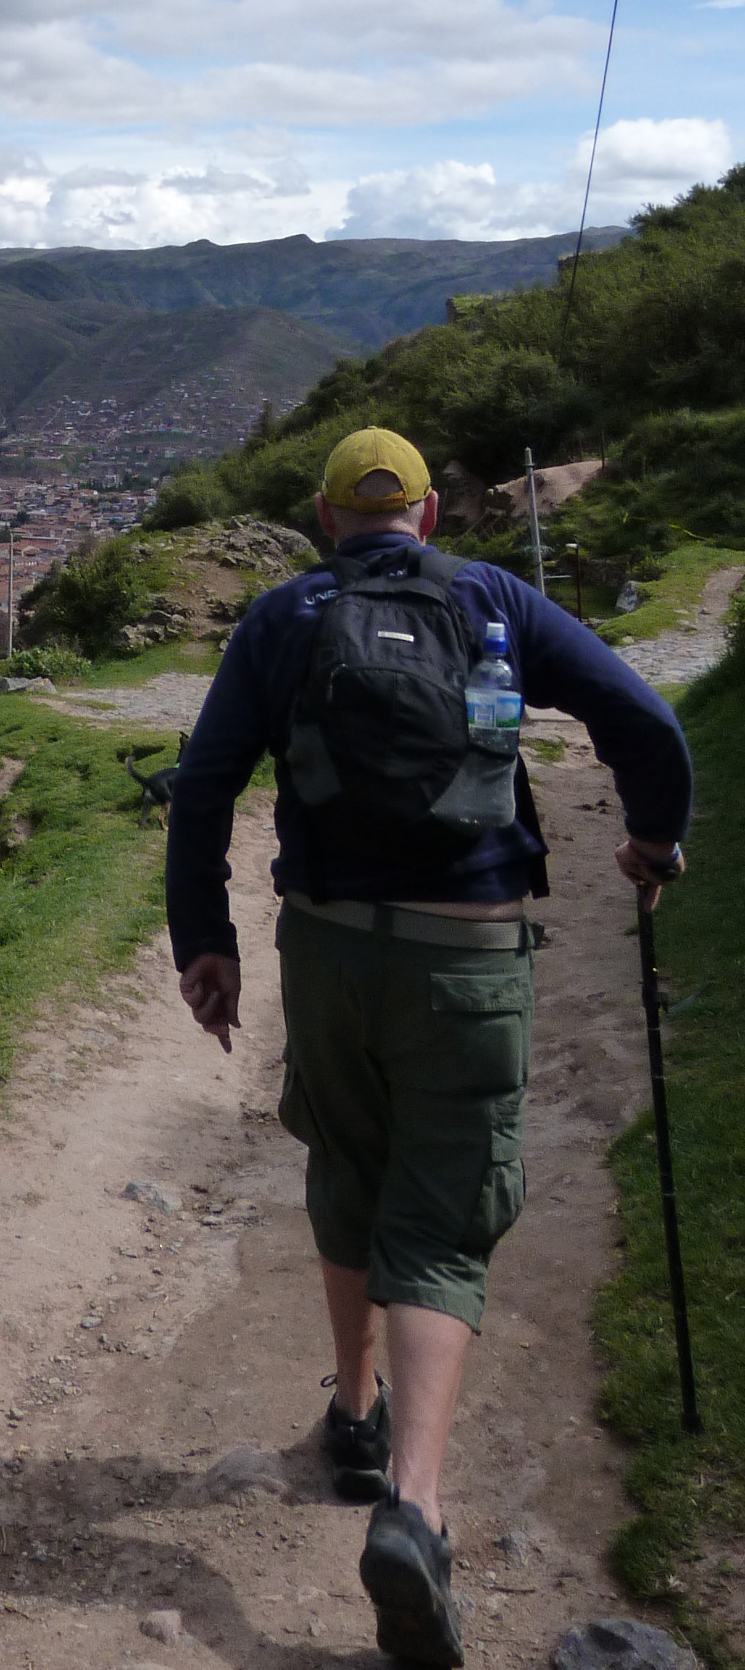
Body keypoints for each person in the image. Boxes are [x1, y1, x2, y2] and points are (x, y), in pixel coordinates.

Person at [166, 427, 692, 1668]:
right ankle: (411, 1502)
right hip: (467, 950)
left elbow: (202, 784)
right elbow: (642, 718)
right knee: (444, 1213)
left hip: (329, 946)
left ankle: (353, 1410)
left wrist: (207, 940)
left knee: (348, 1160)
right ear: (428, 516)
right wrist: (650, 843)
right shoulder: (493, 599)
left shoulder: (282, 615)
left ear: (321, 517)